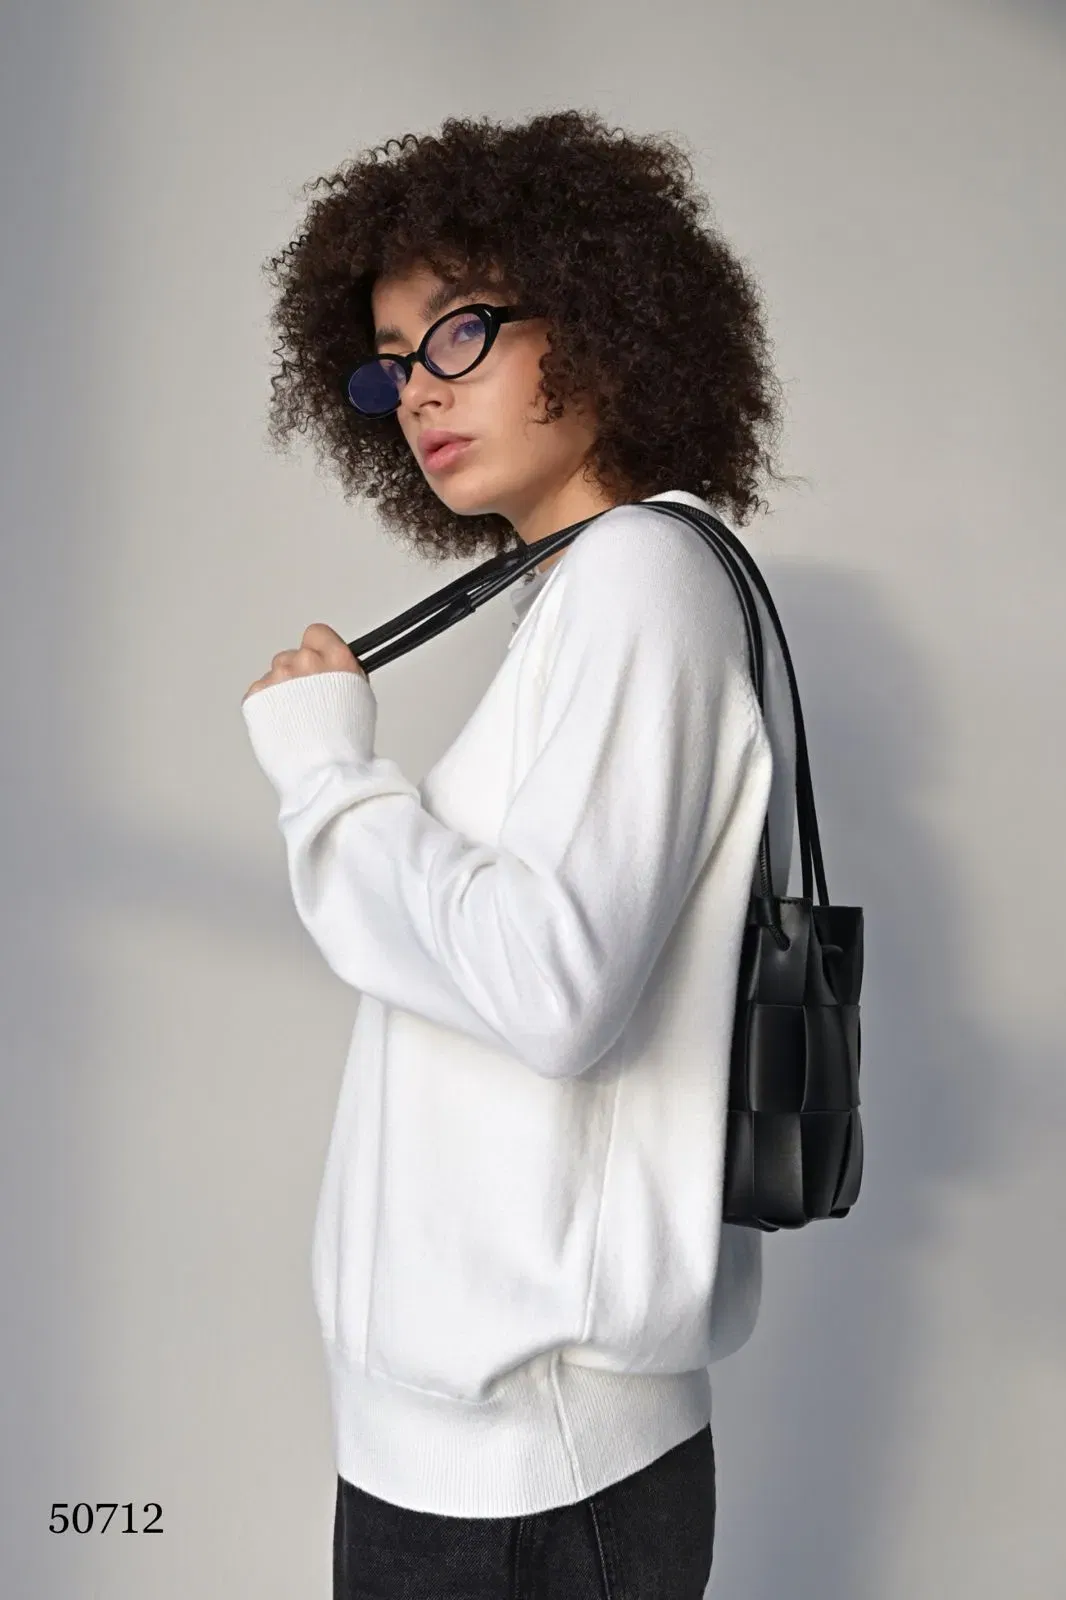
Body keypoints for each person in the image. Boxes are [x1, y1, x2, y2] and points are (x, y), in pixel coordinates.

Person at [241, 107, 799, 1600]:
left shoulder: (640, 578)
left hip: (537, 1465)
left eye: (460, 330)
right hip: (461, 1449)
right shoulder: (578, 592)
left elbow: (551, 988)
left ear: (606, 319)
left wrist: (330, 779)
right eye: (390, 361)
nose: (418, 390)